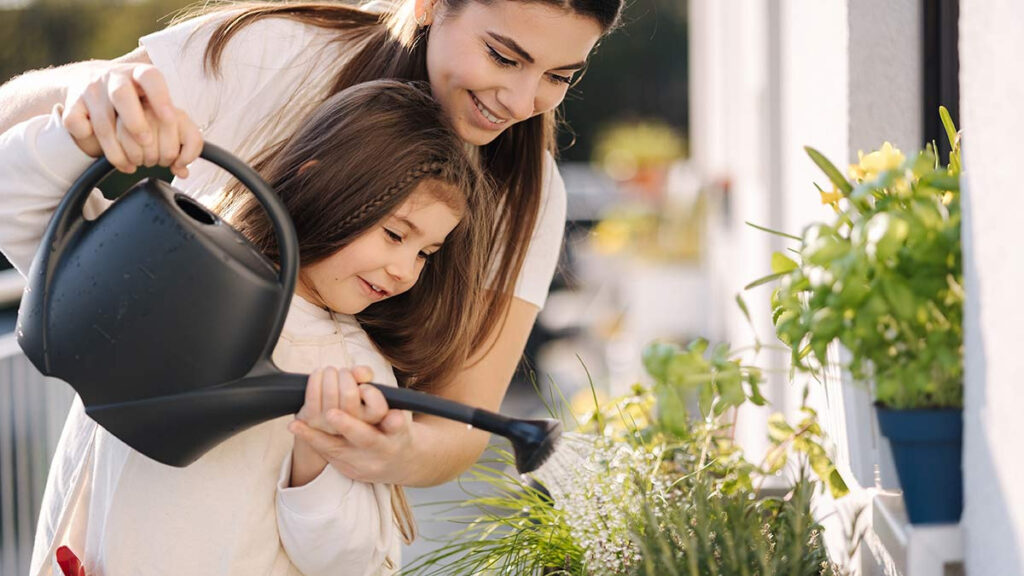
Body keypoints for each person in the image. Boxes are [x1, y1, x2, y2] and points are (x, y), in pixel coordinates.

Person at [0, 0, 626, 492]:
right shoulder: (273, 55)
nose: (521, 102)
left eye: (559, 76)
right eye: (503, 56)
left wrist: (398, 453)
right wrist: (97, 102)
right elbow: (16, 130)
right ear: (433, 3)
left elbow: (458, 423)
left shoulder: (529, 198)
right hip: (130, 482)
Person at [0, 79, 492, 575]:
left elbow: (353, 562)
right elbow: (14, 201)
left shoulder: (357, 374)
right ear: (323, 183)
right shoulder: (173, 265)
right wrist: (80, 138)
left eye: (426, 253)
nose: (405, 269)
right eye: (395, 235)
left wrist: (316, 461)